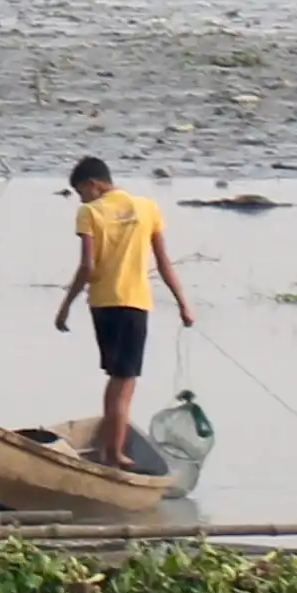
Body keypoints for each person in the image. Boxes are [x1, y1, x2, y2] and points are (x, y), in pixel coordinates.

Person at [48, 154, 192, 475]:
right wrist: (183, 303)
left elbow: (87, 266)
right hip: (135, 304)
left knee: (117, 380)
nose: (81, 198)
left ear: (93, 184)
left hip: (103, 305)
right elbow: (164, 262)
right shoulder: (147, 207)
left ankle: (110, 451)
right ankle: (114, 454)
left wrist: (65, 306)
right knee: (124, 382)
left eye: (80, 191)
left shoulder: (89, 212)